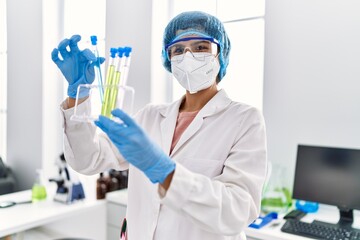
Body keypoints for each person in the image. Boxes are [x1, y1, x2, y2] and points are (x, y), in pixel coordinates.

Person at [52, 11, 267, 240]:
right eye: (178, 50)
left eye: (201, 47)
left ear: (220, 54)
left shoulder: (244, 120)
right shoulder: (150, 116)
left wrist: (166, 171)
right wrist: (79, 95)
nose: (188, 56)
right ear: (169, 60)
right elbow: (88, 159)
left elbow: (238, 212)